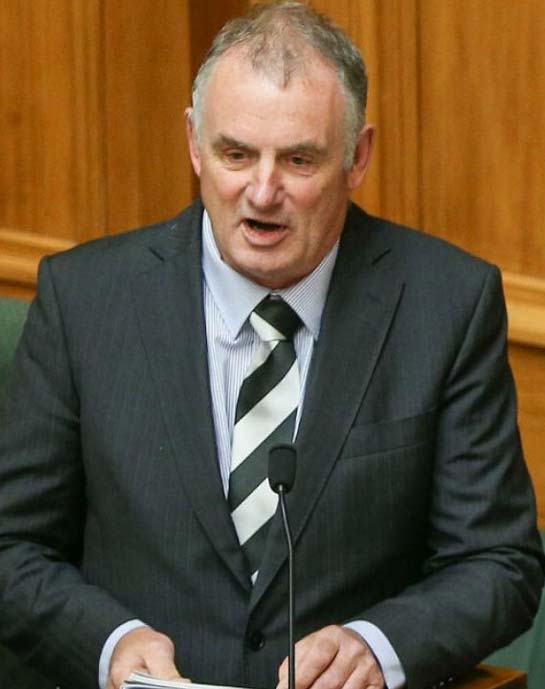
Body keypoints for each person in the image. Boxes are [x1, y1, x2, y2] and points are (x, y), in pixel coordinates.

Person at [0, 3, 543, 689]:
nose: (261, 192)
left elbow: (499, 561)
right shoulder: (84, 299)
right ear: (194, 142)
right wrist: (110, 643)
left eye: (298, 159)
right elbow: (13, 547)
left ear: (357, 157)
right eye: (234, 154)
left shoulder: (445, 304)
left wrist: (378, 645)